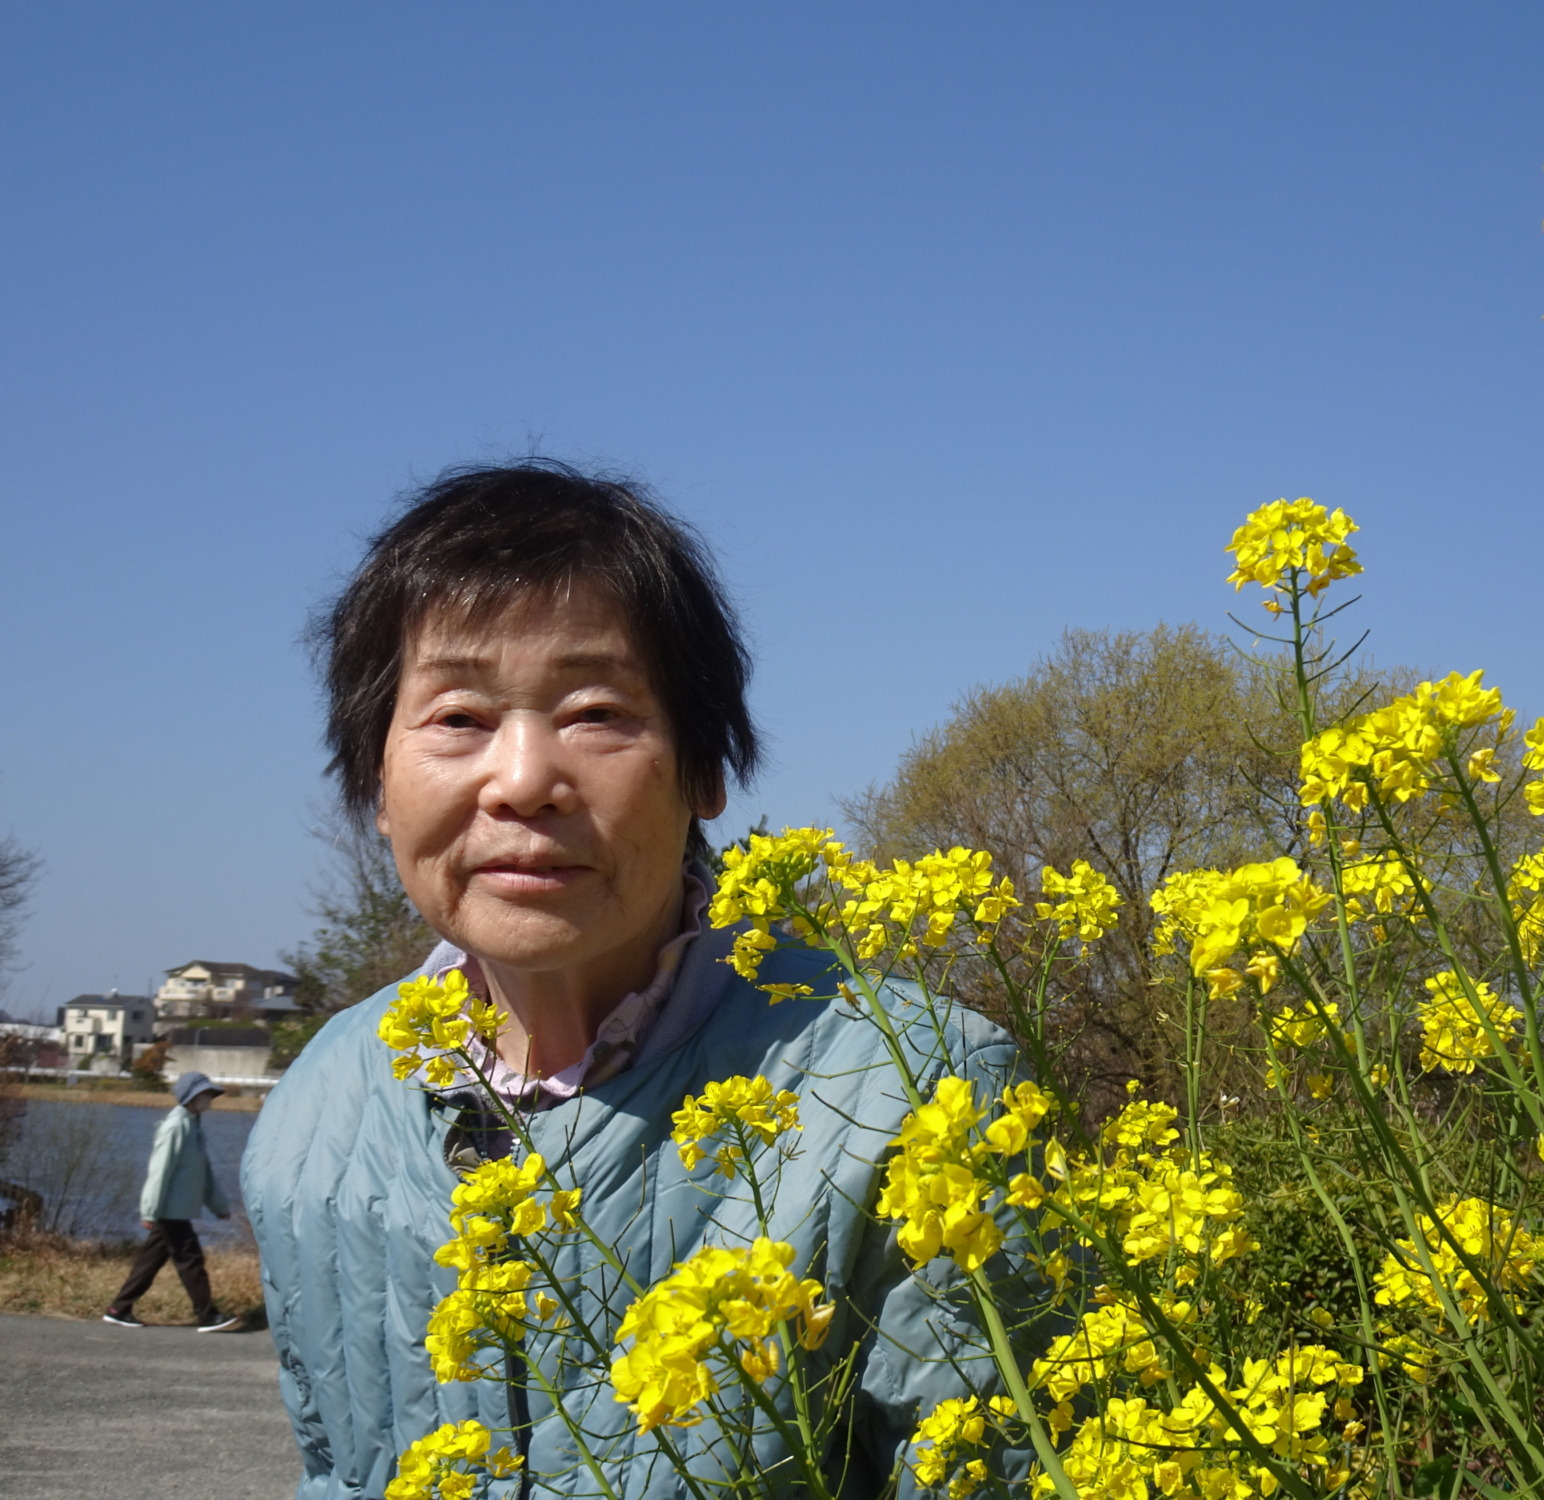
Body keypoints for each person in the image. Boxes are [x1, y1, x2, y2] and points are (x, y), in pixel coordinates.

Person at [242, 463, 1028, 1500]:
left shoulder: (914, 1091)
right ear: (376, 784)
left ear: (706, 773)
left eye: (596, 711)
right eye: (458, 719)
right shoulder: (314, 1114)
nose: (522, 781)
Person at [103, 1070, 245, 1332]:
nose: (210, 1100)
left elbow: (204, 1173)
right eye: (205, 1095)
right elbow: (160, 1170)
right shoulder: (176, 1126)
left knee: (150, 1262)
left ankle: (118, 1309)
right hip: (170, 1211)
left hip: (177, 1210)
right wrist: (149, 1211)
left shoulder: (193, 1126)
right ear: (190, 1098)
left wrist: (219, 1206)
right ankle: (208, 1315)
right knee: (191, 1261)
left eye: (210, 1095)